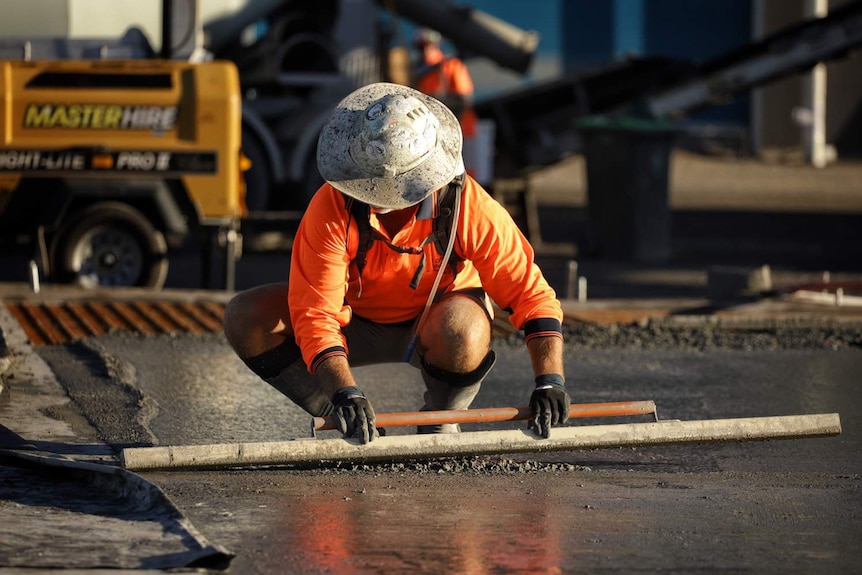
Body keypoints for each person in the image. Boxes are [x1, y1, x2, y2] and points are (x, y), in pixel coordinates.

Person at [223, 82, 569, 444]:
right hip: (355, 323)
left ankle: (440, 420)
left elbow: (530, 294)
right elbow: (317, 316)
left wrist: (549, 379)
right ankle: (342, 417)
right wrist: (344, 393)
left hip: (435, 323)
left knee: (464, 330)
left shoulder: (467, 204)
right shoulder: (330, 207)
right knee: (246, 316)